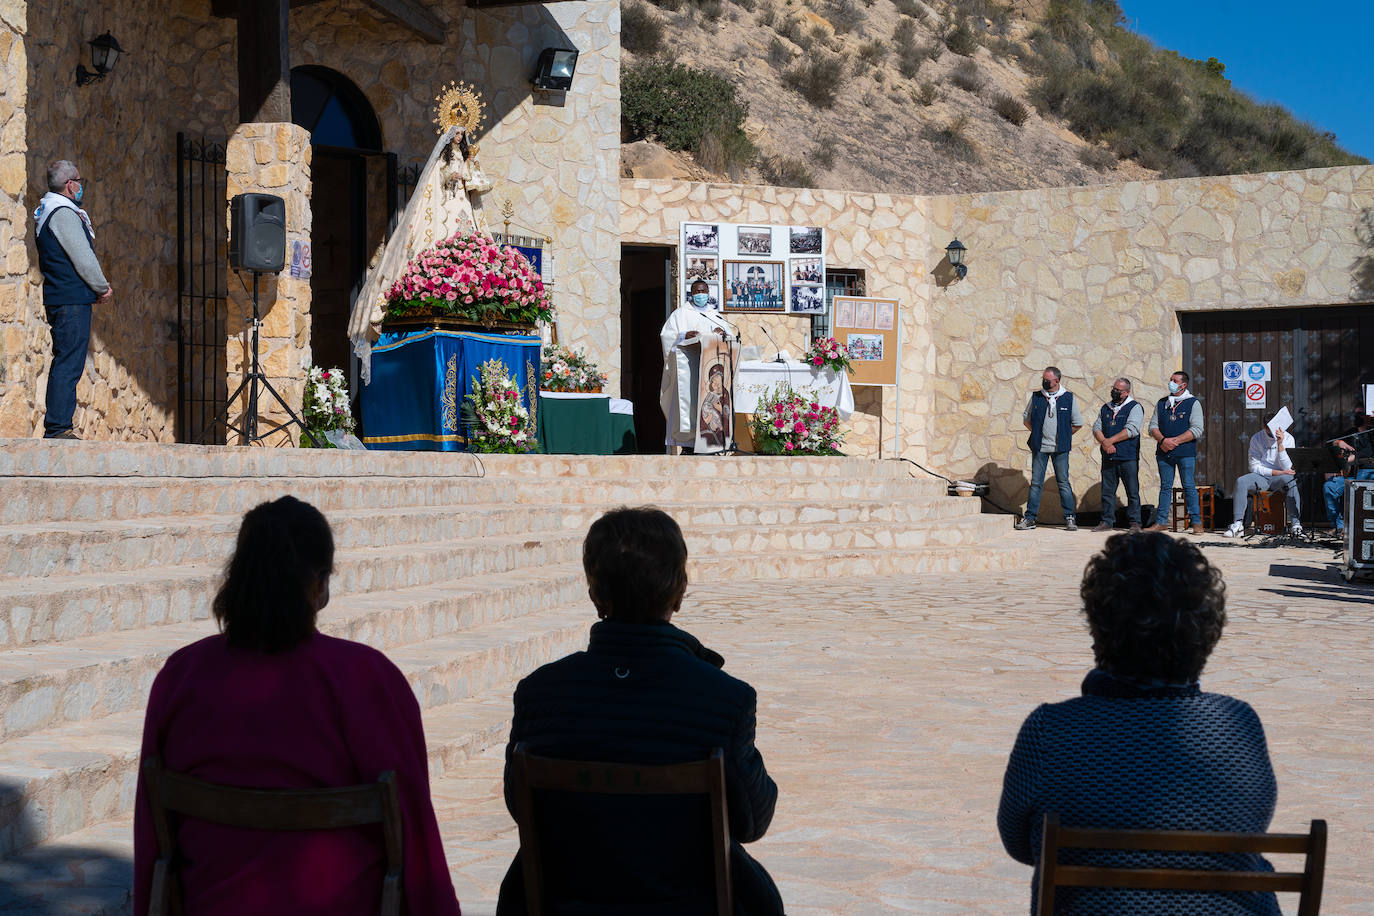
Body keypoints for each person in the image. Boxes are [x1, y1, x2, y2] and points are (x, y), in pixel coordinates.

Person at [133, 497, 461, 916]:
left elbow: (153, 834)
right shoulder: (367, 679)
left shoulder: (181, 678)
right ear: (321, 585)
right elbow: (414, 832)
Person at [496, 506, 783, 916]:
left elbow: (519, 807)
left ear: (595, 595)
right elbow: (753, 822)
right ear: (680, 590)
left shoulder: (539, 693)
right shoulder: (724, 699)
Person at [997, 532, 1280, 915]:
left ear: (1100, 626)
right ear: (1206, 632)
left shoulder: (1051, 732)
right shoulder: (1236, 726)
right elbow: (1252, 822)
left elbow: (1020, 843)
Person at [35, 160, 112, 439]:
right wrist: (101, 287)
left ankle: (58, 425)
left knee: (66, 360)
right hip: (70, 300)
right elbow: (83, 257)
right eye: (79, 180)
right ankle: (58, 428)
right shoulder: (63, 213)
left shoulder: (48, 209)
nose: (81, 186)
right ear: (70, 185)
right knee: (69, 362)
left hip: (62, 297)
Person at [660, 279, 737, 454]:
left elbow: (730, 336)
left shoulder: (715, 315)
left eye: (704, 291)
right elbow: (667, 335)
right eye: (697, 291)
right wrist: (683, 335)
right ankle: (689, 445)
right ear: (691, 294)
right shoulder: (681, 314)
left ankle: (712, 443)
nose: (701, 294)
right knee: (691, 403)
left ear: (708, 292)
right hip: (690, 365)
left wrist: (723, 333)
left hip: (711, 368)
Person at [1015, 366, 1083, 531]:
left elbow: (1078, 423)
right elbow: (1026, 419)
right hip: (1040, 447)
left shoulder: (1068, 398)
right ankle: (1030, 518)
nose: (1044, 382)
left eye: (1047, 380)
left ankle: (1070, 518)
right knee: (1036, 483)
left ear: (1057, 381)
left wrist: (1064, 435)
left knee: (1063, 483)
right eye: (1043, 379)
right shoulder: (1037, 397)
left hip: (1060, 449)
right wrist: (1038, 433)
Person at [1145, 370, 1205, 534]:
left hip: (1185, 452)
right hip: (1164, 452)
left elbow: (1197, 429)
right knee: (1165, 487)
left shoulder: (1193, 403)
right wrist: (1164, 441)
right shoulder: (1162, 403)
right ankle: (1161, 521)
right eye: (1171, 379)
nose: (1171, 382)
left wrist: (1175, 441)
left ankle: (1197, 522)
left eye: (1174, 380)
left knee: (1188, 486)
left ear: (1183, 385)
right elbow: (1152, 427)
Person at [1223, 423, 1302, 538]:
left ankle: (1295, 524)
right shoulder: (1257, 438)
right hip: (1262, 476)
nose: (1273, 431)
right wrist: (1276, 472)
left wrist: (1280, 444)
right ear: (1265, 428)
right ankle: (1238, 524)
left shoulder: (1289, 438)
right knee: (1241, 481)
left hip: (1281, 477)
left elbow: (1287, 467)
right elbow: (1254, 467)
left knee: (1291, 481)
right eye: (1269, 429)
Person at [1091, 377, 1144, 532]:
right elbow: (1096, 427)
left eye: (1118, 390)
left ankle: (1135, 523)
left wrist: (1110, 441)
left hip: (1127, 457)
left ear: (1127, 392)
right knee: (1107, 492)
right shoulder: (1105, 408)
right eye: (1113, 388)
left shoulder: (1134, 407)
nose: (1114, 391)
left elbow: (1132, 429)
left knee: (1132, 492)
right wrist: (1104, 442)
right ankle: (1107, 521)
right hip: (1109, 457)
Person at [1323, 407, 1374, 534]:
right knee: (1329, 487)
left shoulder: (1372, 433)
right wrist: (1339, 442)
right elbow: (1329, 444)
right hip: (1352, 476)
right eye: (1356, 414)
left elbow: (1366, 454)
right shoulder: (1352, 433)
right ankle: (1339, 526)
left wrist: (1345, 461)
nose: (1358, 417)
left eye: (1361, 414)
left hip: (1369, 474)